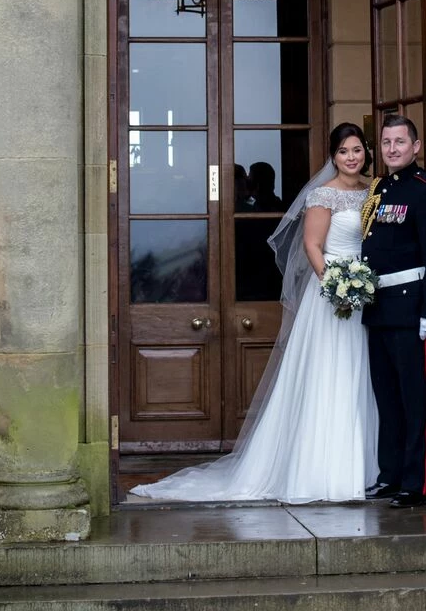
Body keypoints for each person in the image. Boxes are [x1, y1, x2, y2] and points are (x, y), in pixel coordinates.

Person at [129, 123, 378, 504]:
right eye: (344, 151)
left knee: (361, 374)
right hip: (332, 295)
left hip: (365, 295)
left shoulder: (373, 191)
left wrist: (361, 286)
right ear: (333, 157)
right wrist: (336, 287)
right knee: (331, 374)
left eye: (357, 149)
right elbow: (313, 246)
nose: (351, 157)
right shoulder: (323, 195)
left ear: (366, 152)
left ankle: (365, 467)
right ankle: (321, 471)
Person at [362, 114, 426, 509]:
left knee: (417, 400)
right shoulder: (379, 188)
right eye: (386, 142)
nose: (393, 149)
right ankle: (391, 475)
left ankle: (416, 484)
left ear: (416, 147)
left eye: (400, 142)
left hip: (413, 309)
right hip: (380, 308)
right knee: (388, 399)